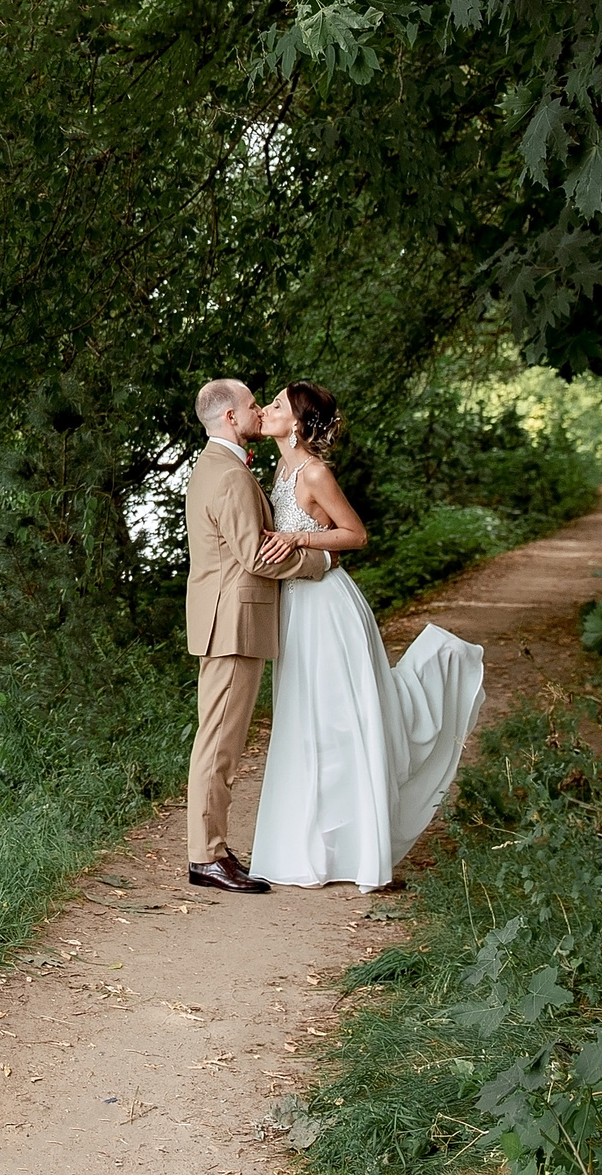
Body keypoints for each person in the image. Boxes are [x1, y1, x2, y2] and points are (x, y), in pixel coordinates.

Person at [248, 382, 485, 892]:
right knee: (306, 716)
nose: (265, 411)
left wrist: (299, 536)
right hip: (298, 604)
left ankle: (358, 853)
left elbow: (355, 534)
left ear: (297, 422)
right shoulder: (282, 467)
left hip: (328, 607)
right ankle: (315, 847)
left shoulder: (313, 470)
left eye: (276, 406)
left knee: (338, 719)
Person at [184, 378, 332, 893]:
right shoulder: (227, 476)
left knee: (220, 739)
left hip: (227, 619)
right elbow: (253, 555)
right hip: (232, 622)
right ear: (230, 418)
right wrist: (319, 561)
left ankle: (214, 848)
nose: (257, 412)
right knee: (219, 744)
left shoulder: (221, 467)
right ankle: (206, 856)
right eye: (252, 406)